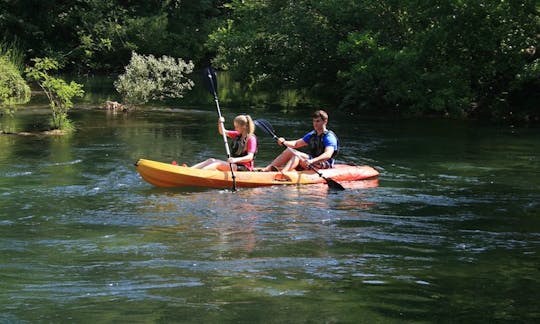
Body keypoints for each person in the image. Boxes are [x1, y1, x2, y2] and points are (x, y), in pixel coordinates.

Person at [262, 110, 339, 172]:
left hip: (325, 163)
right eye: (314, 121)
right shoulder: (312, 134)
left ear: (325, 121)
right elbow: (296, 144)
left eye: (318, 121)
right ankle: (268, 169)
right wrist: (284, 142)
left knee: (297, 156)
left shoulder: (329, 137)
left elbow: (328, 155)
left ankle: (283, 174)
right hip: (312, 160)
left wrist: (312, 161)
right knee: (289, 150)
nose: (315, 124)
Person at [191, 114, 257, 171]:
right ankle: (190, 170)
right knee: (211, 160)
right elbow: (222, 131)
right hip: (234, 165)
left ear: (244, 127)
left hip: (244, 168)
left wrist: (235, 160)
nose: (235, 129)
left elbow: (250, 157)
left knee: (217, 164)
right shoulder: (237, 134)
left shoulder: (251, 139)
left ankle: (199, 173)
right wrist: (220, 122)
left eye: (237, 127)